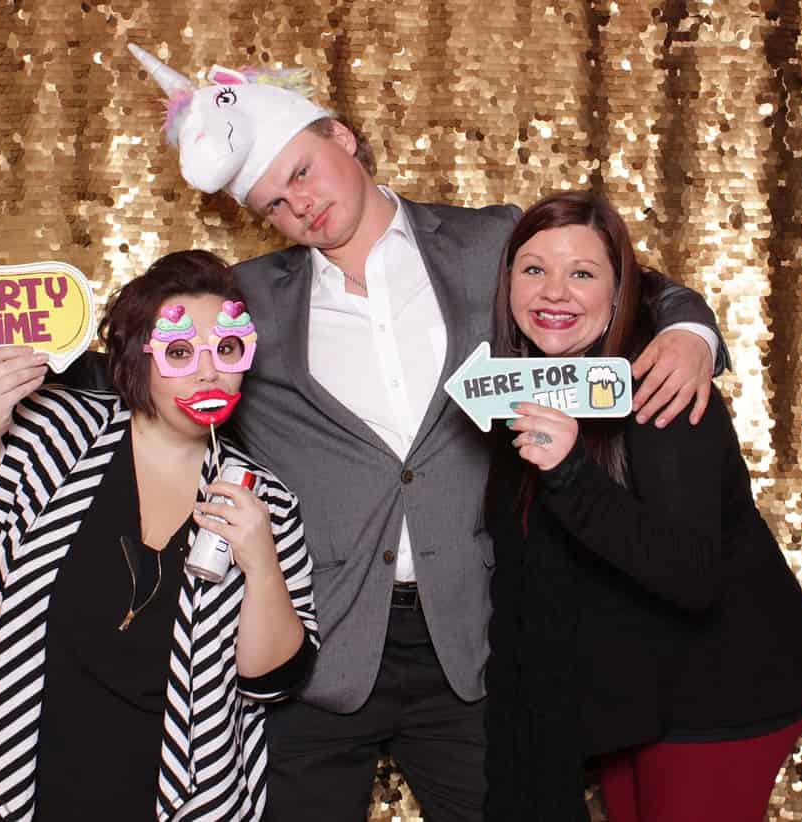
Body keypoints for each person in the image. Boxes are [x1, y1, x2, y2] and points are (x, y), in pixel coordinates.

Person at [119, 46, 732, 822]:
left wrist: (691, 334)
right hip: (319, 646)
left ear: (341, 138)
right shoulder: (248, 303)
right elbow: (144, 352)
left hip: (469, 638)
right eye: (274, 203)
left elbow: (615, 278)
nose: (298, 206)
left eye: (301, 173)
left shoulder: (489, 245)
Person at [0, 250, 318, 820]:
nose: (208, 371)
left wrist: (261, 565)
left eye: (227, 349)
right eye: (180, 353)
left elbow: (270, 681)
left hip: (163, 795)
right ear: (138, 358)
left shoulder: (265, 498)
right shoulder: (50, 432)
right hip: (13, 772)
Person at [483, 191, 802, 822]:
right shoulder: (522, 386)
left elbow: (692, 577)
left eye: (582, 273)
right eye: (534, 270)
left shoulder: (663, 387)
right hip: (631, 697)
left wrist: (571, 470)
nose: (554, 293)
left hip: (723, 690)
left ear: (620, 291)